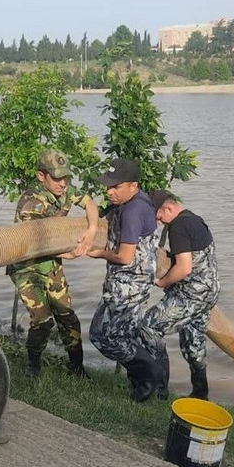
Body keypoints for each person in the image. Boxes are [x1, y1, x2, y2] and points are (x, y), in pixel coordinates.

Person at [6, 149, 100, 378]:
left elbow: (89, 203)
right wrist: (69, 252)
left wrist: (92, 229)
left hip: (52, 265)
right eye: (57, 178)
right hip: (28, 268)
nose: (62, 183)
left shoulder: (65, 191)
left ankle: (77, 369)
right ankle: (33, 368)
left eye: (66, 177)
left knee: (68, 316)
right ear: (41, 176)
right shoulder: (31, 203)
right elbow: (40, 241)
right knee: (43, 321)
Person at [87, 158, 163, 402]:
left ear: (133, 185)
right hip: (134, 282)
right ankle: (146, 382)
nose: (109, 191)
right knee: (120, 334)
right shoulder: (139, 201)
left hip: (128, 285)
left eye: (115, 187)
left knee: (104, 338)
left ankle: (150, 373)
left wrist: (99, 253)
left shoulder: (131, 211)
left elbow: (124, 255)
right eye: (108, 186)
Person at [141, 190, 221, 400]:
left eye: (158, 217)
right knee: (192, 342)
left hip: (191, 295)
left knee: (149, 326)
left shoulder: (179, 227)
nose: (158, 222)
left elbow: (184, 268)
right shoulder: (195, 219)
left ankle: (158, 390)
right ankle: (200, 393)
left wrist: (161, 282)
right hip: (208, 292)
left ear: (168, 208)